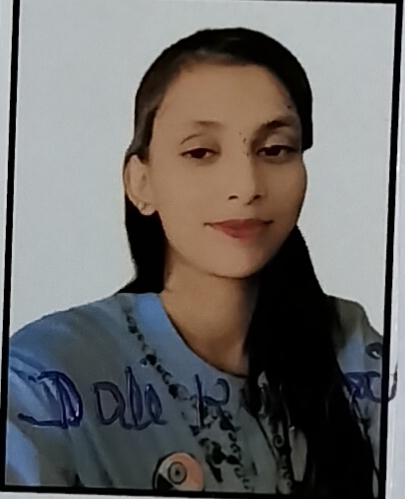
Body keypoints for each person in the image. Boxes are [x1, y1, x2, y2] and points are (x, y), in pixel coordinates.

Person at [6, 27, 383, 497]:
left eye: (274, 150)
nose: (246, 186)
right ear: (140, 182)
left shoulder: (353, 351)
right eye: (201, 152)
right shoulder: (45, 374)